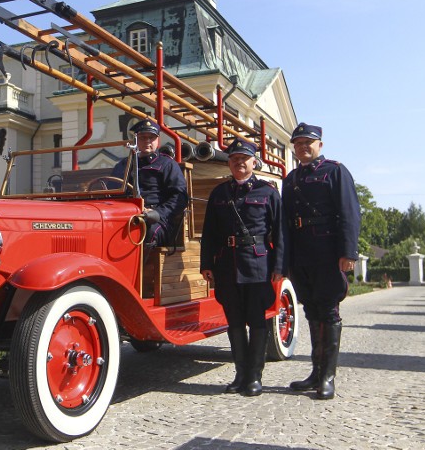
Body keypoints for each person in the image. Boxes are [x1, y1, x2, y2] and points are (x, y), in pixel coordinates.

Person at [200, 138, 284, 397]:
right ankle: (240, 374)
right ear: (229, 162)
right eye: (234, 158)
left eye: (244, 158)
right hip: (227, 265)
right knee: (234, 322)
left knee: (257, 321)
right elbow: (209, 232)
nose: (239, 162)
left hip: (257, 265)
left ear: (253, 162)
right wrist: (207, 264)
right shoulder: (219, 193)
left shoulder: (267, 192)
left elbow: (280, 232)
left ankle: (254, 377)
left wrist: (279, 265)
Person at [282, 122, 360, 400]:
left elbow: (349, 214)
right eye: (298, 143)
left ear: (320, 145)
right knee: (312, 311)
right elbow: (286, 224)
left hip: (328, 253)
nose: (303, 147)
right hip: (301, 254)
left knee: (328, 312)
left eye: (308, 143)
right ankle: (315, 373)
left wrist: (348, 253)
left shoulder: (335, 171)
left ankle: (328, 377)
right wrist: (286, 260)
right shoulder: (290, 179)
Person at [112, 119, 188, 250]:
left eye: (151, 137)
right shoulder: (123, 165)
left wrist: (157, 213)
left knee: (146, 231)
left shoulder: (167, 164)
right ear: (135, 140)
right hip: (125, 216)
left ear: (158, 140)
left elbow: (180, 198)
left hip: (156, 220)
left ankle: (141, 270)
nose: (147, 141)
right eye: (142, 137)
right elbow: (112, 191)